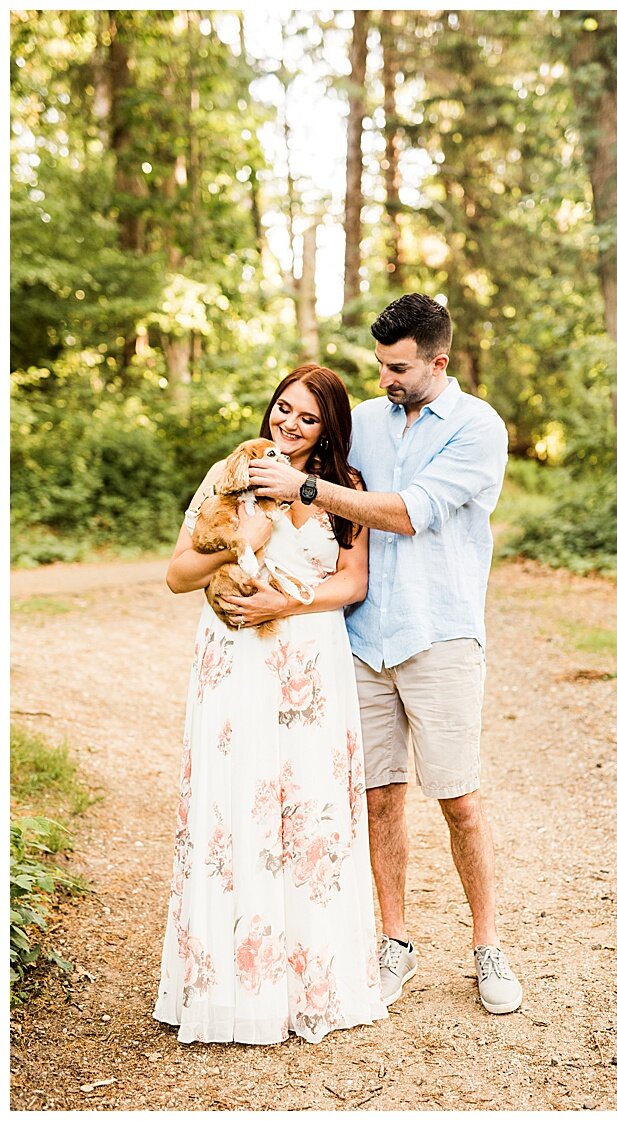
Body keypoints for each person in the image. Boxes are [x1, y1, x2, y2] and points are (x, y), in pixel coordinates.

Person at [247, 294, 521, 1016]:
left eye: (398, 367)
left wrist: (307, 485)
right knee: (380, 800)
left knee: (460, 800)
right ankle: (393, 940)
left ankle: (487, 944)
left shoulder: (477, 427)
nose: (384, 379)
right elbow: (316, 492)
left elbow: (404, 512)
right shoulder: (366, 420)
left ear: (439, 360)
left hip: (440, 634)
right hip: (359, 639)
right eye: (379, 364)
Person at [155, 364, 386, 1044]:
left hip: (310, 667)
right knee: (238, 808)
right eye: (283, 408)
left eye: (306, 417)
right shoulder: (231, 473)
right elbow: (176, 574)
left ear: (327, 429)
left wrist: (285, 599)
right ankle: (230, 987)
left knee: (306, 810)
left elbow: (353, 581)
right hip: (237, 665)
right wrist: (244, 542)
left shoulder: (347, 491)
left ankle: (310, 982)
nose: (288, 423)